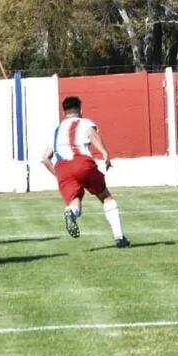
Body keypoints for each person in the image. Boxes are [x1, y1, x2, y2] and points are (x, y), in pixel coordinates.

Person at [41, 96, 130, 248]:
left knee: (75, 201)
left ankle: (71, 212)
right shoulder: (85, 122)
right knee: (106, 197)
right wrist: (105, 153)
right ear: (80, 110)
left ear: (64, 112)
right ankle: (120, 238)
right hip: (81, 162)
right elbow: (93, 136)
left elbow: (45, 159)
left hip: (62, 167)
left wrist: (60, 177)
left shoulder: (56, 129)